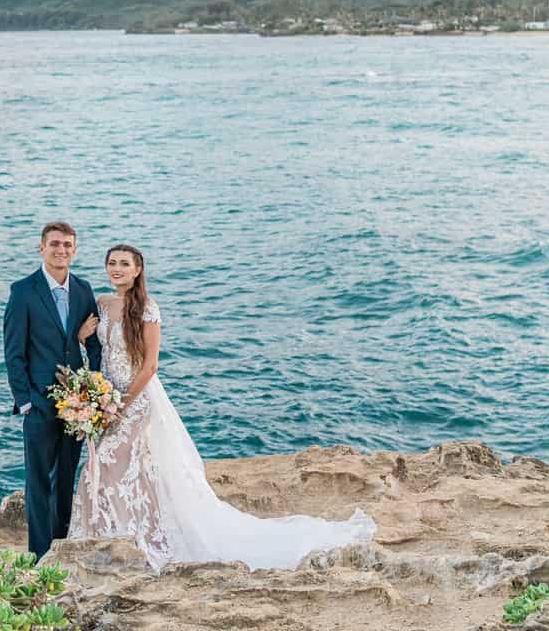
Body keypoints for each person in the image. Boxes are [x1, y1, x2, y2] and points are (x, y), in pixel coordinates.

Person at [67, 244, 375, 570]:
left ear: (137, 269)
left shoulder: (147, 308)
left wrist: (122, 405)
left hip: (136, 399)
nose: (117, 269)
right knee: (124, 469)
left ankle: (133, 537)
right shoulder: (102, 303)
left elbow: (150, 366)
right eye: (112, 263)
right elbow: (103, 354)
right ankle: (117, 531)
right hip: (107, 396)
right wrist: (81, 340)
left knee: (110, 463)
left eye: (124, 264)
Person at [2, 221, 104, 558]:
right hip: (39, 403)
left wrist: (94, 388)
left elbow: (94, 343)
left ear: (74, 250)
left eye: (68, 245)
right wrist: (26, 402)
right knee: (38, 481)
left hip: (77, 402)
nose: (61, 250)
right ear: (41, 248)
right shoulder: (23, 291)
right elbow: (13, 352)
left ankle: (62, 546)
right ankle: (39, 555)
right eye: (55, 244)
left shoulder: (84, 289)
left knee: (65, 479)